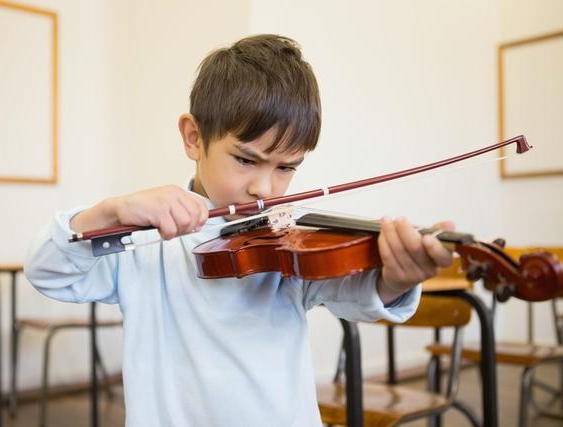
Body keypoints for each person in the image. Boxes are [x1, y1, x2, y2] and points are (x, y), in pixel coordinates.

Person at [24, 34, 453, 427]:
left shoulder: (288, 244)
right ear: (194, 138)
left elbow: (354, 293)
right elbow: (47, 270)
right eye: (246, 160)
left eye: (286, 167)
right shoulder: (146, 241)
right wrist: (110, 211)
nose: (263, 188)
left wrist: (394, 279)